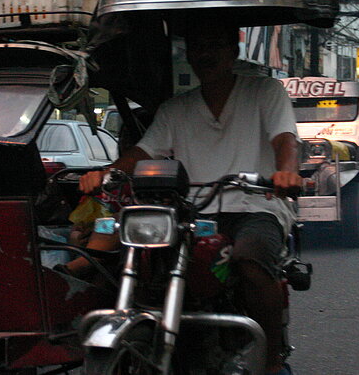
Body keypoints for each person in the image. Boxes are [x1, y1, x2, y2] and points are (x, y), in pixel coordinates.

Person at [79, 22, 301, 375]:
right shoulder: (175, 109)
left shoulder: (264, 91)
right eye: (198, 47)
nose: (205, 54)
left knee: (250, 262)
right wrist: (106, 174)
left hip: (255, 205)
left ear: (233, 50)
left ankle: (271, 360)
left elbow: (284, 139)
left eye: (214, 44)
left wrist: (286, 171)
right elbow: (142, 151)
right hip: (192, 212)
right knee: (134, 260)